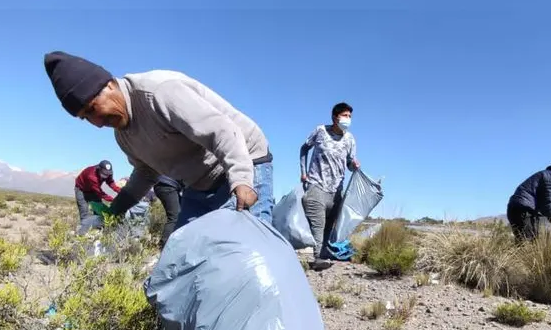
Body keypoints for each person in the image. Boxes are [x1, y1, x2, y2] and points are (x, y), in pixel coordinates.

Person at [43, 51, 274, 236]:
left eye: (93, 108)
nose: (96, 122)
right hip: (199, 183)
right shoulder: (123, 135)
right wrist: (115, 211)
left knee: (250, 254)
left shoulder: (159, 92)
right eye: (86, 118)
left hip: (245, 161)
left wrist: (243, 179)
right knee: (183, 259)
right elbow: (145, 173)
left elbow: (222, 131)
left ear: (110, 84)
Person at [299, 102, 359, 270]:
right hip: (316, 185)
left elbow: (349, 164)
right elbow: (304, 149)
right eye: (345, 116)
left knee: (328, 226)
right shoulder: (320, 131)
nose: (348, 119)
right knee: (318, 224)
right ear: (335, 117)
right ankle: (317, 257)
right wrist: (303, 172)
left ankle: (323, 253)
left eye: (350, 117)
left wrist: (354, 165)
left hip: (336, 191)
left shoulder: (350, 139)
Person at [506, 158, 551, 242]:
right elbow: (547, 205)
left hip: (516, 207)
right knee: (529, 243)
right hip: (524, 210)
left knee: (523, 241)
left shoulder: (549, 174)